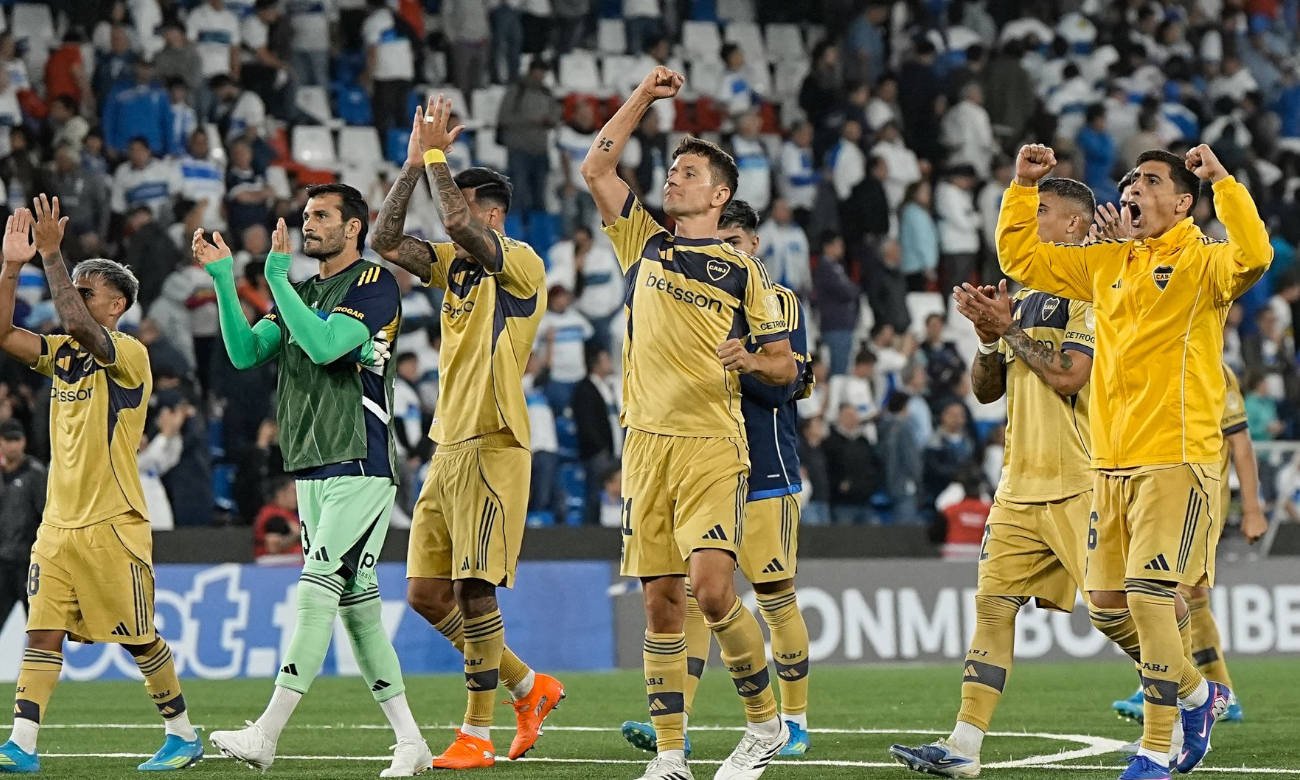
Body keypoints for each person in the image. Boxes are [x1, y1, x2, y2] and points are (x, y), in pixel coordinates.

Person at [995, 142, 1270, 780]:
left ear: (1182, 202)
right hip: (1110, 462)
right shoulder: (1106, 261)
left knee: (1150, 597)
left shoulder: (1204, 262)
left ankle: (1153, 750)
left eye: (1149, 181)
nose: (1133, 190)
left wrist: (1224, 182)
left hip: (1176, 455)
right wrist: (1022, 189)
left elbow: (1255, 254)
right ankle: (1198, 695)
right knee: (1104, 603)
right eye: (1129, 182)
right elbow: (1021, 258)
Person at [582, 67, 797, 780]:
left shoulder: (743, 273)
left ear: (719, 195)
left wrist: (752, 359)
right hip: (645, 446)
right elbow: (596, 167)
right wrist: (642, 97)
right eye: (673, 171)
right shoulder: (643, 242)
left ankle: (764, 726)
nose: (674, 179)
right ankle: (671, 754)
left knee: (710, 589)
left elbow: (785, 366)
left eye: (690, 173)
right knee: (662, 604)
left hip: (712, 444)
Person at [197, 185, 430, 776]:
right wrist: (225, 281)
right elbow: (246, 353)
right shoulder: (300, 293)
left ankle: (266, 733)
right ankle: (411, 742)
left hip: (359, 458)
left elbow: (326, 347)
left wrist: (275, 279)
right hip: (310, 464)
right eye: (306, 216)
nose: (309, 224)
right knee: (357, 607)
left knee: (317, 585)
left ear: (353, 228)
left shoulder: (374, 285)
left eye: (321, 215)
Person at [370, 95, 565, 769]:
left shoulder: (521, 262)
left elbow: (454, 217)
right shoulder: (454, 264)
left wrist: (435, 157)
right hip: (447, 442)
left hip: (494, 436)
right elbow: (384, 242)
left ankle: (476, 733)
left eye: (464, 207)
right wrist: (410, 168)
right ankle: (528, 686)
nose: (450, 221)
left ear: (493, 214)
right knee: (427, 594)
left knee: (474, 589)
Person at [889, 175, 1098, 779]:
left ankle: (1192, 692)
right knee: (992, 606)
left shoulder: (1093, 291)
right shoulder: (1024, 299)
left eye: (1042, 210)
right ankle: (964, 745)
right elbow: (986, 392)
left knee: (1114, 610)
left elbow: (1069, 375)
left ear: (1075, 224)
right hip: (1018, 486)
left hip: (1081, 481)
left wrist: (1007, 330)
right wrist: (987, 340)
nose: (1031, 220)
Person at [0, 198, 202, 772]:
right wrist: (11, 269)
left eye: (87, 290)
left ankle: (182, 734)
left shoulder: (130, 354)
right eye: (75, 286)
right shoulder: (61, 355)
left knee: (138, 637)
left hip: (113, 521)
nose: (75, 294)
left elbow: (75, 323)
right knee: (42, 632)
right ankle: (22, 744)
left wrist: (53, 256)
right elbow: (4, 332)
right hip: (58, 524)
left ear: (117, 305)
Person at [621, 198, 817, 759]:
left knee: (774, 594)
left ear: (754, 245)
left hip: (765, 464)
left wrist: (742, 362)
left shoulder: (777, 300)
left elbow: (793, 381)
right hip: (698, 460)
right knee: (693, 595)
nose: (725, 253)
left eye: (734, 244)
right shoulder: (681, 289)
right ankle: (676, 718)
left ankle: (794, 721)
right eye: (719, 242)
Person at [1092, 173, 1267, 728]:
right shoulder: (1139, 321)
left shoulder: (1216, 373)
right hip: (1133, 468)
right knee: (1162, 596)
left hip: (1190, 481)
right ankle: (1199, 689)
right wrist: (1121, 255)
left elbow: (1241, 444)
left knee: (1174, 592)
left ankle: (1189, 694)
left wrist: (1253, 507)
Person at [0, 419, 45, 625]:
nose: (13, 445)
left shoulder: (35, 473)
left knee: (37, 624)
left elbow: (46, 516)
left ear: (24, 442)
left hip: (28, 563)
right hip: (2, 562)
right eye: (8, 440)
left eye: (16, 440)